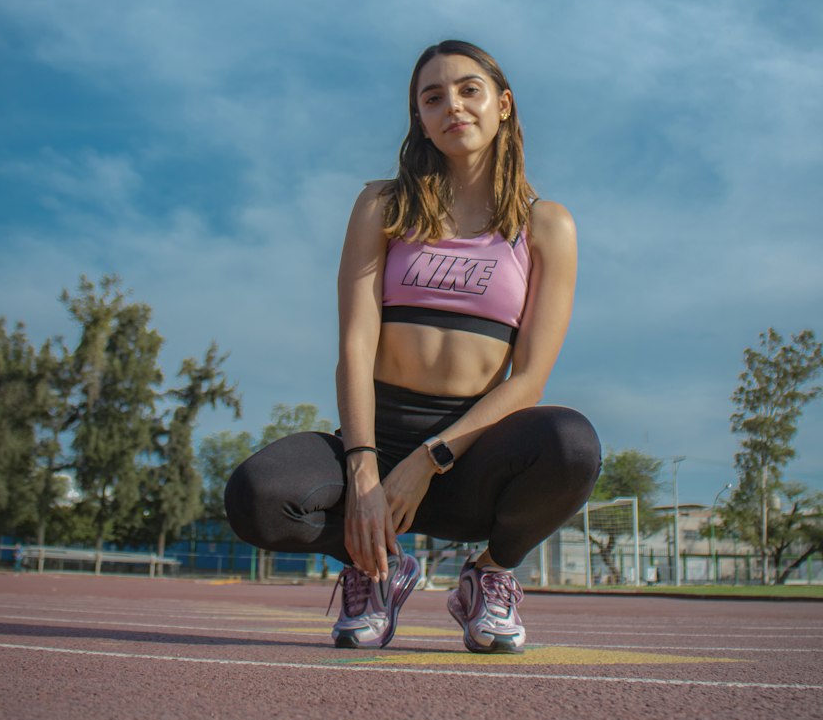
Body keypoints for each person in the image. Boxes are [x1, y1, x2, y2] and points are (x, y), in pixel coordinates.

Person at [224, 39, 601, 652]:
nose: (452, 105)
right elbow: (355, 343)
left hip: (470, 451)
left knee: (572, 444)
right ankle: (374, 567)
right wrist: (364, 463)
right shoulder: (383, 205)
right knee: (256, 497)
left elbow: (529, 378)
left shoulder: (547, 225)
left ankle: (489, 577)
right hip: (378, 432)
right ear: (420, 119)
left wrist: (431, 459)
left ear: (502, 105)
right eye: (433, 97)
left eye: (468, 90)